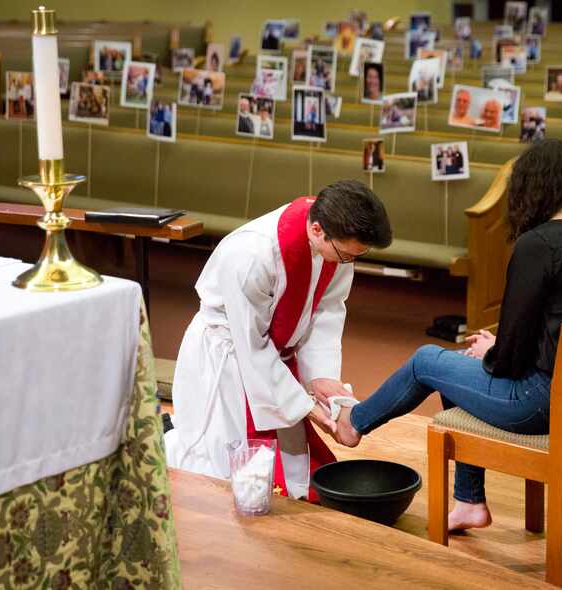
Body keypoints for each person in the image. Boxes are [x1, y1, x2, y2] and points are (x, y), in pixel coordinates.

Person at [329, 139, 562, 531]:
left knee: (427, 361)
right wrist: (498, 348)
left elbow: (510, 360)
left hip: (544, 404)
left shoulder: (537, 246)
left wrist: (494, 350)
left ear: (531, 187)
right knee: (457, 367)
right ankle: (469, 502)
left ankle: (354, 423)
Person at [165, 181, 393, 502]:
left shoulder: (338, 246)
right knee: (219, 467)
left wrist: (321, 377)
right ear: (317, 230)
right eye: (346, 254)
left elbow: (327, 309)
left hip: (273, 355)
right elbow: (252, 346)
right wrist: (307, 407)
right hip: (229, 354)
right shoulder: (251, 255)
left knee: (292, 473)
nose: (348, 263)